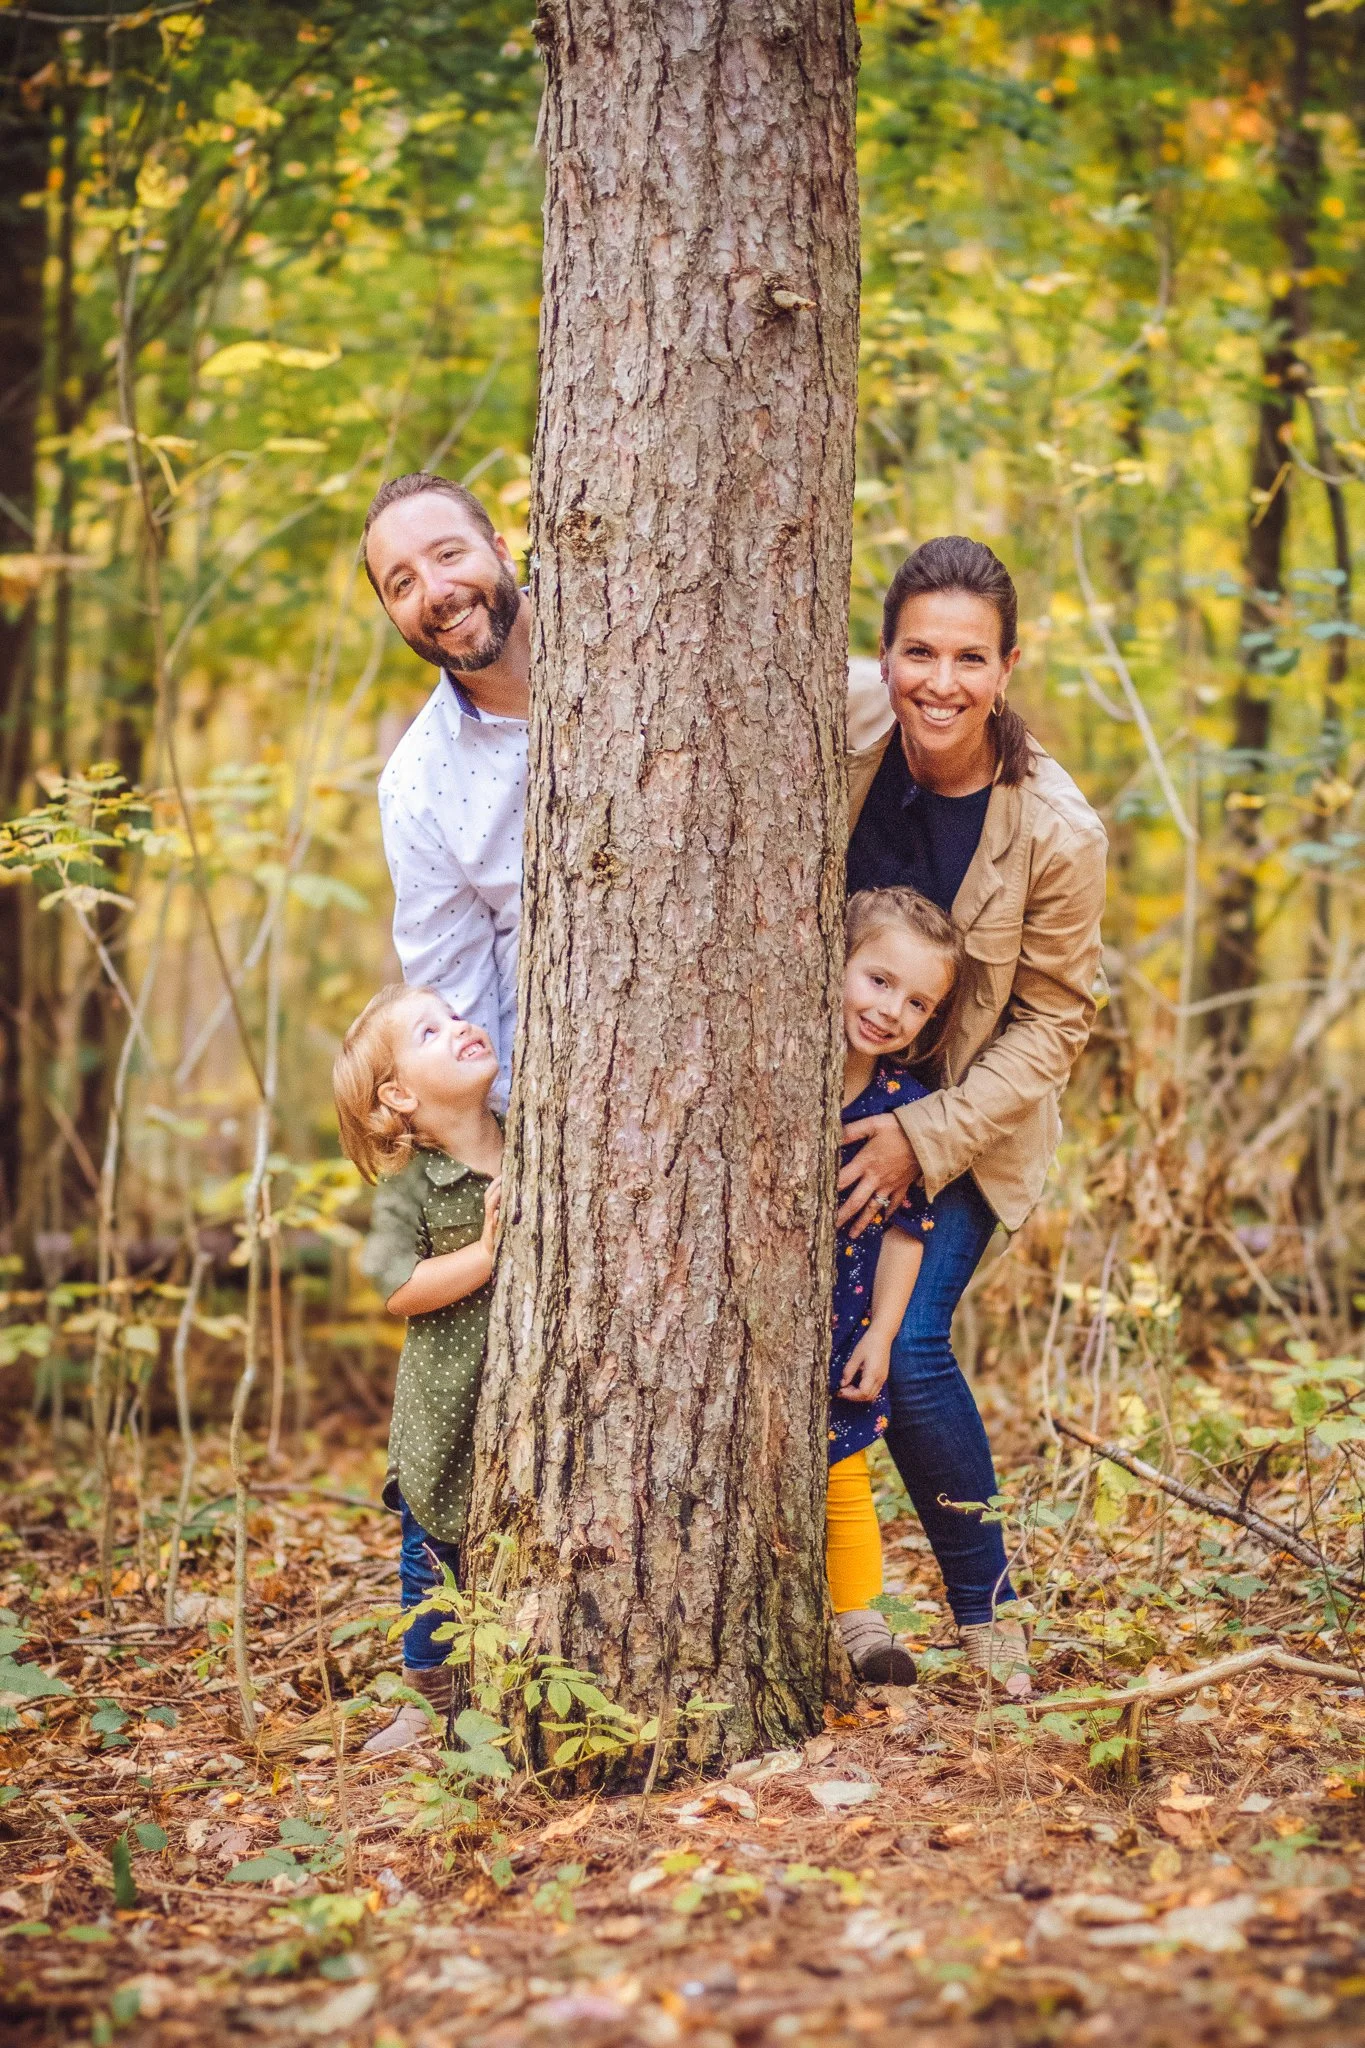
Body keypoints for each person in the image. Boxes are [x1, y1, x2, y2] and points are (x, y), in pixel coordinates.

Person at [837, 537, 1107, 1688]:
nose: (937, 682)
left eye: (968, 657)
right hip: (833, 1096)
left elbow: (1055, 1022)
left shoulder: (1057, 829)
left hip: (963, 1125)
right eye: (916, 651)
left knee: (904, 1352)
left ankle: (991, 1623)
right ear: (885, 650)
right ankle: (844, 1603)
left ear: (1007, 666)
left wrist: (922, 1136)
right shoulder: (832, 715)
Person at [332, 983, 503, 1754]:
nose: (460, 1026)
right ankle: (425, 1699)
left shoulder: (538, 1135)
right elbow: (396, 1284)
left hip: (523, 1400)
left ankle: (499, 1674)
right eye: (430, 1030)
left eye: (455, 1014)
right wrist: (487, 1254)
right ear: (398, 1094)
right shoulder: (411, 1182)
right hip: (446, 1399)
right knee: (431, 1547)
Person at [826, 887, 965, 1687]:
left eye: (916, 1003)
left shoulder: (901, 1113)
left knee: (843, 1473)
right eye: (877, 981)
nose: (890, 1012)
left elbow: (908, 1233)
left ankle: (862, 1625)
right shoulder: (773, 1075)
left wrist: (881, 1333)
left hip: (845, 1321)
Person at [365, 473, 531, 1108]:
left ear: (501, 549)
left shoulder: (641, 626)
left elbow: (866, 709)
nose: (436, 591)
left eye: (449, 554)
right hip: (574, 1116)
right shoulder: (415, 788)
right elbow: (457, 997)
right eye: (402, 584)